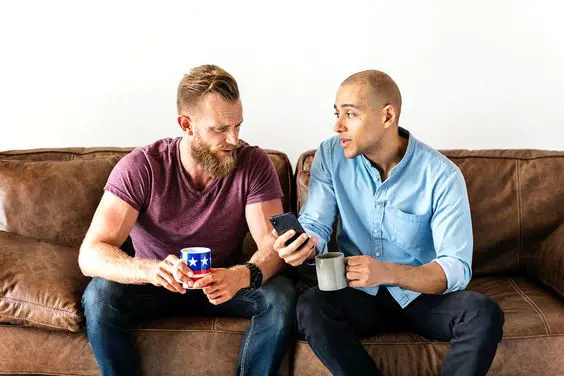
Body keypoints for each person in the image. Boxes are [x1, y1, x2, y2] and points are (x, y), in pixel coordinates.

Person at [274, 70, 504, 376]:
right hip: (358, 295)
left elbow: (456, 268)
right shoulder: (331, 155)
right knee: (311, 307)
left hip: (422, 296)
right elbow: (316, 222)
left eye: (350, 114)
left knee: (482, 313)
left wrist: (388, 272)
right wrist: (305, 243)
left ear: (387, 116)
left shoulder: (442, 176)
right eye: (337, 113)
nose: (337, 125)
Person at [79, 64, 296, 376]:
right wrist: (151, 270)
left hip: (222, 283)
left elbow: (272, 245)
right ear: (186, 124)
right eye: (220, 129)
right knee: (99, 294)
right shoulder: (142, 167)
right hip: (155, 284)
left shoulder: (252, 163)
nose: (233, 139)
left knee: (282, 294)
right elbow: (90, 254)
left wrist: (242, 275)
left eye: (238, 126)